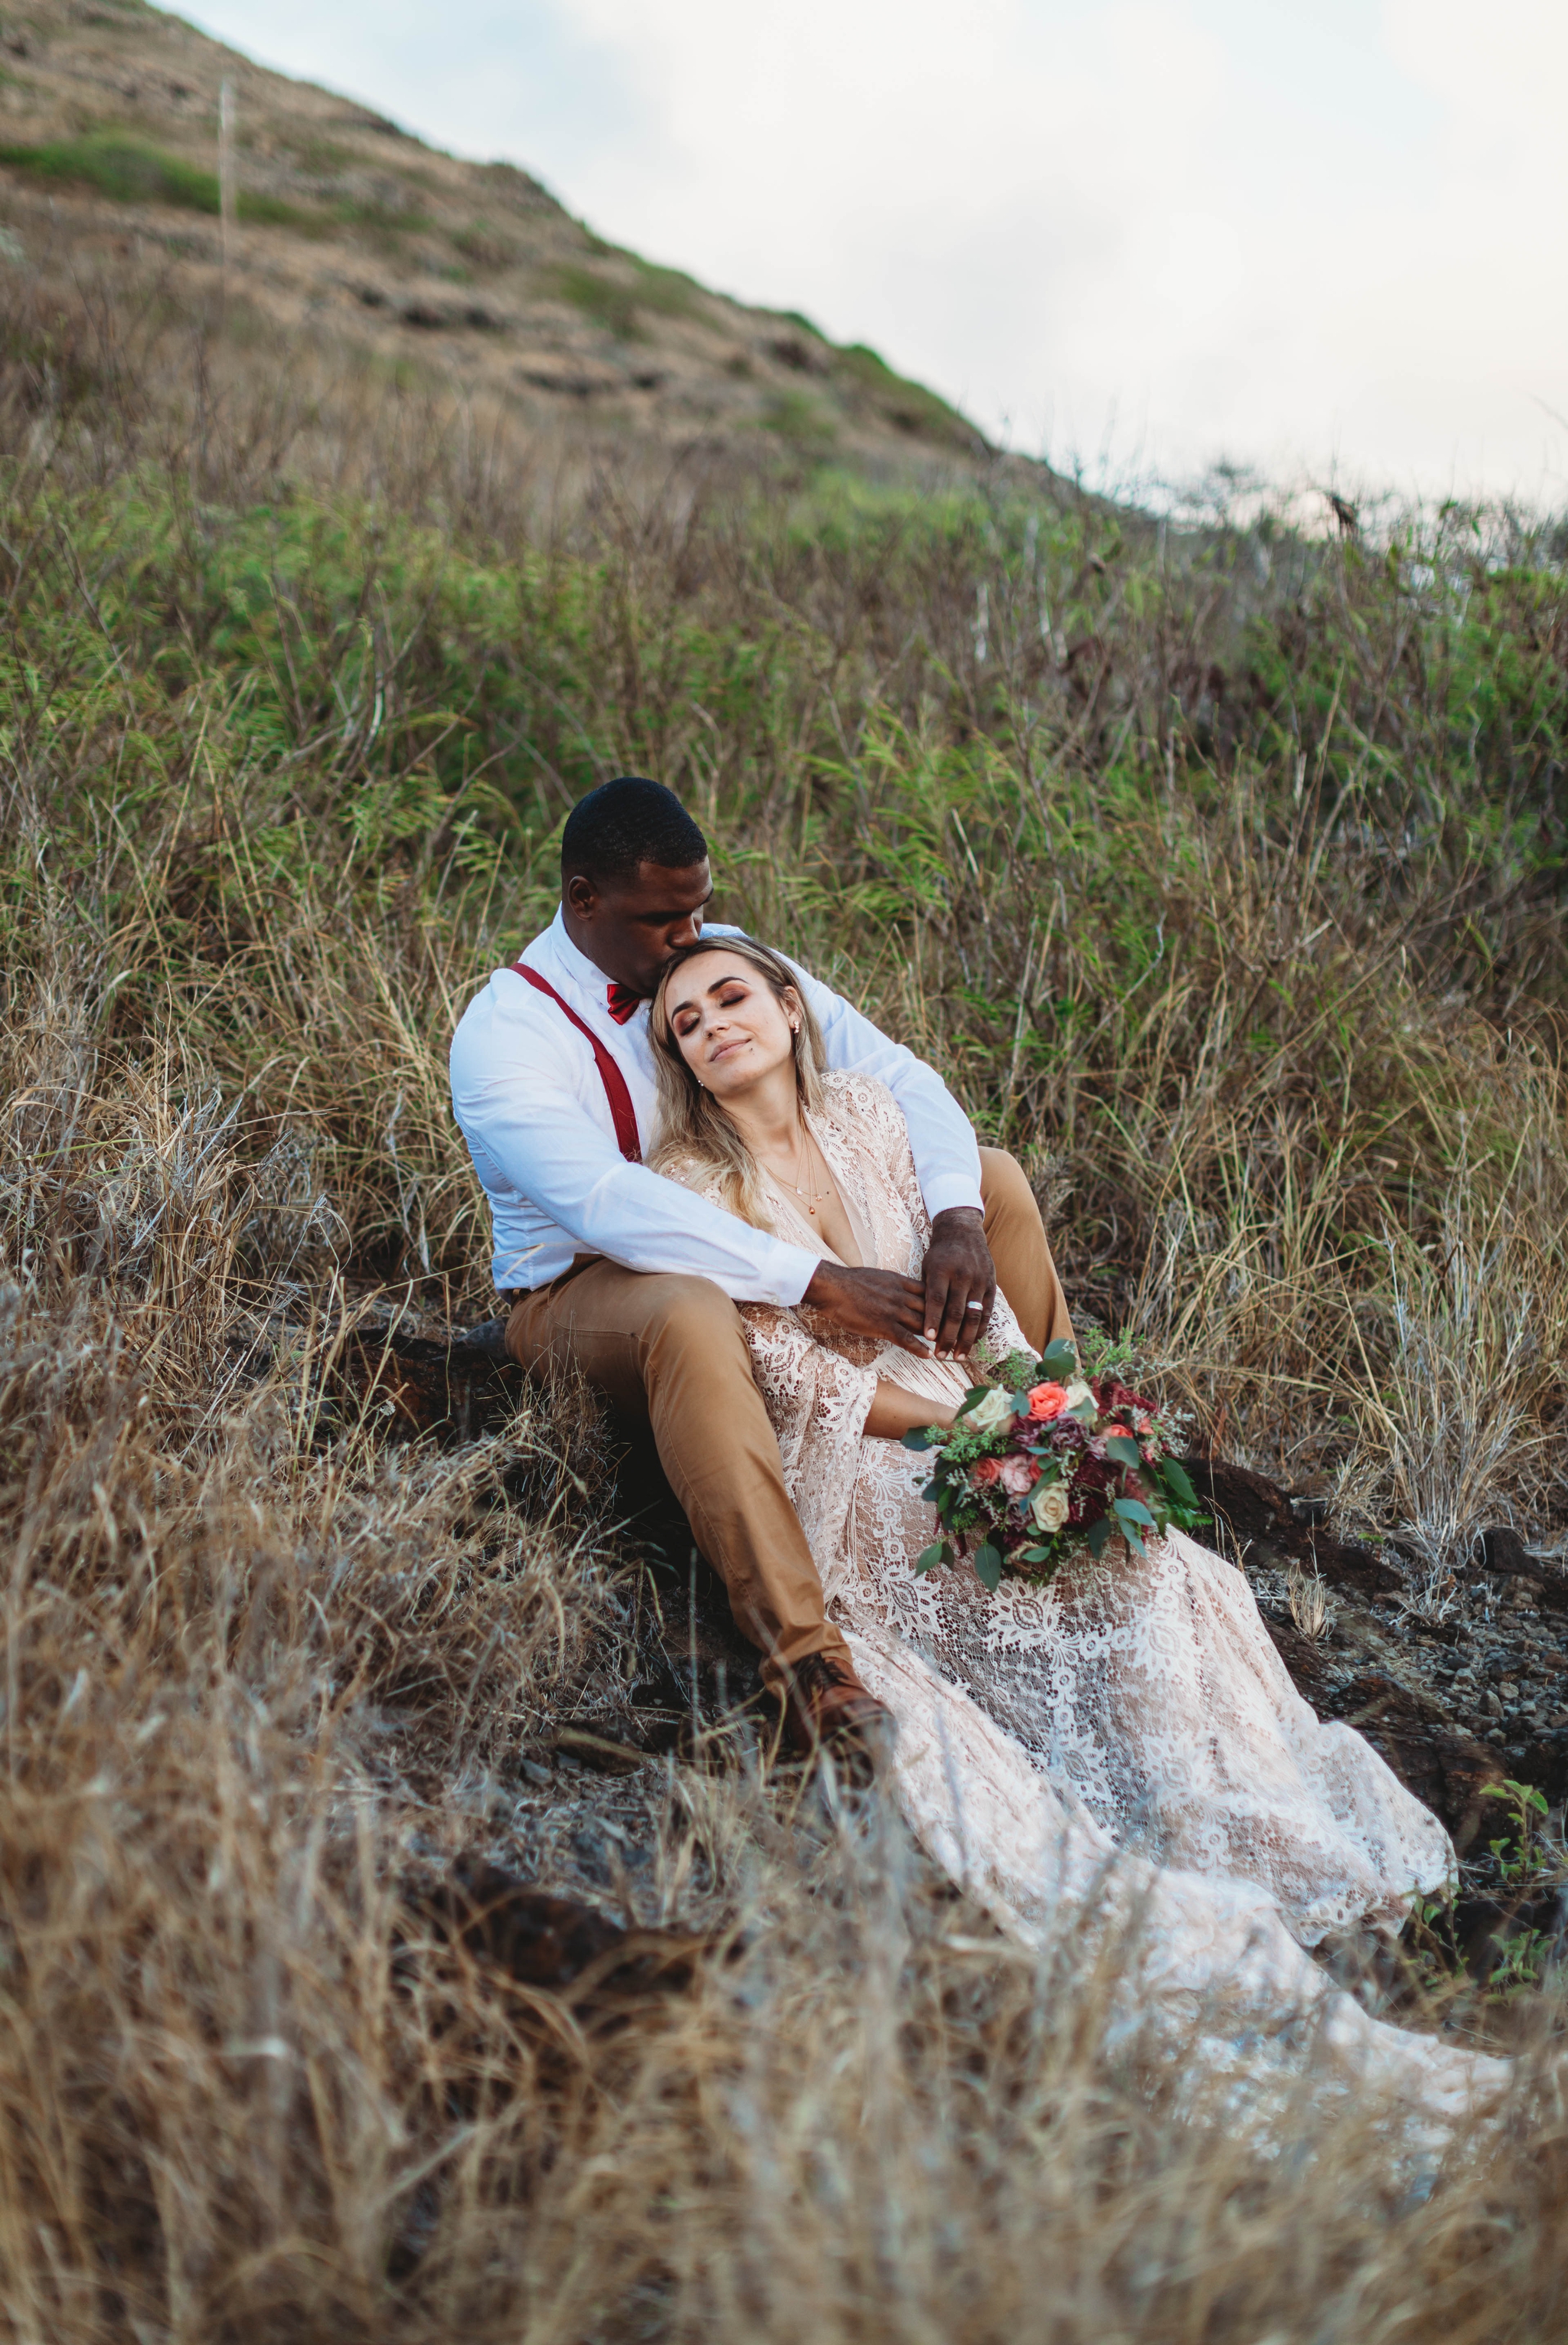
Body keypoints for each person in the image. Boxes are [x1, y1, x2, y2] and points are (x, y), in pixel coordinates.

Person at [645, 930, 1513, 2138]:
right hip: (862, 1452)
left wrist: (1038, 1416)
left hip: (969, 1407)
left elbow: (981, 1301)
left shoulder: (868, 1110)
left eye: (731, 996)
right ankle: (1142, 1877)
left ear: (791, 1008)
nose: (713, 1025)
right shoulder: (691, 1180)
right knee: (990, 1568)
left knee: (1157, 1569)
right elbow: (785, 1373)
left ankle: (1206, 1828)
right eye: (686, 1022)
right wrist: (955, 1432)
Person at [449, 775, 1071, 1753]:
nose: (690, 936)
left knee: (990, 1178)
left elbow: (894, 1072)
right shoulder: (504, 1038)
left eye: (700, 907)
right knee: (688, 1310)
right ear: (583, 903)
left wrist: (953, 1217)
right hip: (587, 1287)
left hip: (776, 1227)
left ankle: (1065, 1445)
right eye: (663, 919)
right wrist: (816, 1279)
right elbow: (609, 1207)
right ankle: (808, 1664)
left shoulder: (723, 963)